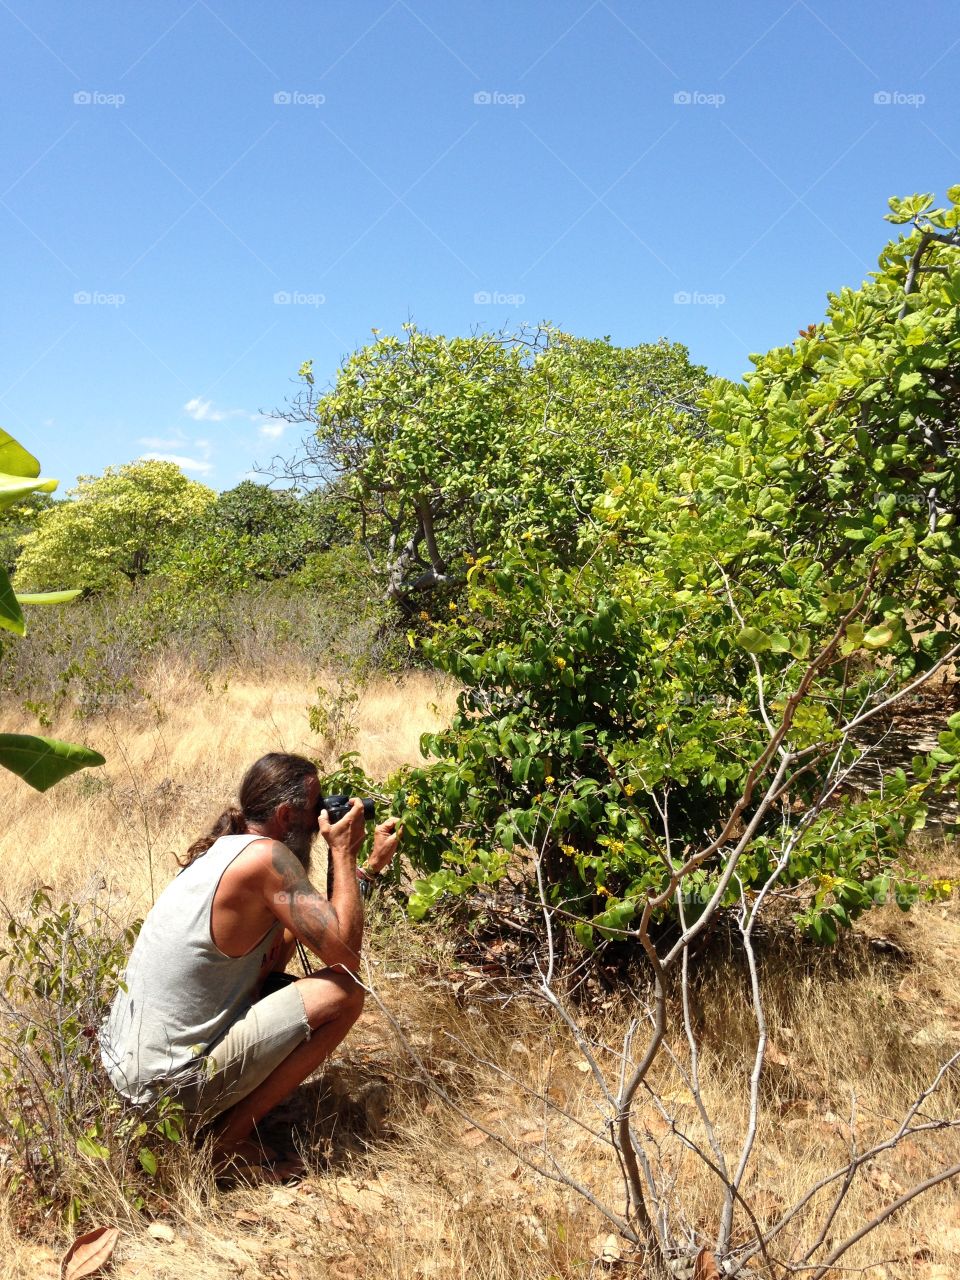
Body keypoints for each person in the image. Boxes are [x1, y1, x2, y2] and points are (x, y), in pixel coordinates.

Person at [100, 752, 398, 1171]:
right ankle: (221, 1145)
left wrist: (363, 871)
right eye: (314, 809)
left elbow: (318, 929)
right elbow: (346, 958)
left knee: (288, 935)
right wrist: (344, 854)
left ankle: (218, 1120)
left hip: (129, 1084)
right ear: (284, 814)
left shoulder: (224, 850)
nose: (318, 821)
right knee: (345, 995)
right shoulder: (265, 862)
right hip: (166, 1095)